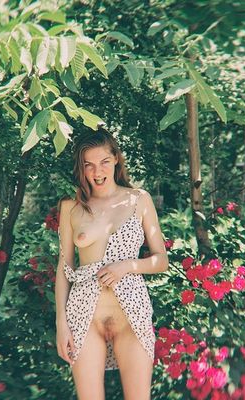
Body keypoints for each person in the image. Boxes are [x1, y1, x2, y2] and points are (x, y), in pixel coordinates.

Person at [55, 130, 169, 400]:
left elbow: (161, 260)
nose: (97, 171)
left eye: (104, 161)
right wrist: (61, 324)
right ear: (81, 167)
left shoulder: (139, 199)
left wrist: (127, 266)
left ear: (116, 158)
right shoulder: (70, 206)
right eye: (89, 164)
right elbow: (63, 269)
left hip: (132, 314)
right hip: (84, 315)